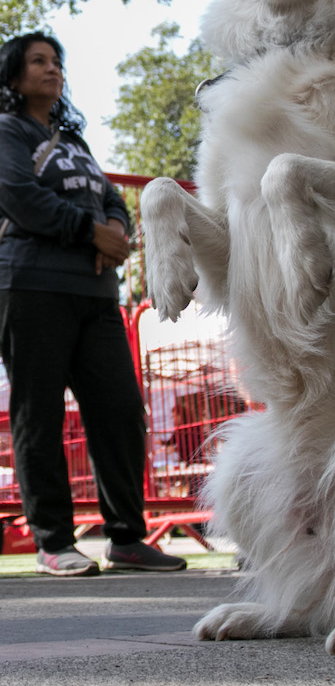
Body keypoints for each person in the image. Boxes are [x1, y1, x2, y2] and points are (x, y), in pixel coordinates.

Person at [0, 32, 186, 576]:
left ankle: (127, 538)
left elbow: (109, 197)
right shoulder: (8, 131)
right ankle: (54, 541)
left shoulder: (73, 142)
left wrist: (114, 227)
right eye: (38, 62)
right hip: (31, 286)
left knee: (121, 411)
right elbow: (19, 196)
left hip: (94, 294)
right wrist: (89, 232)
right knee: (40, 416)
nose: (52, 69)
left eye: (56, 62)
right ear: (13, 76)